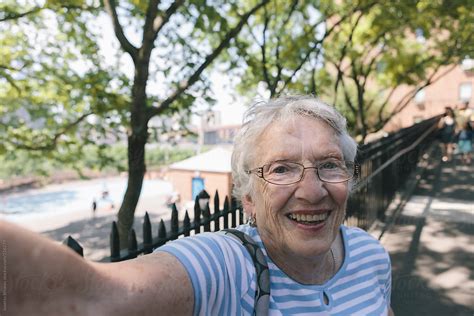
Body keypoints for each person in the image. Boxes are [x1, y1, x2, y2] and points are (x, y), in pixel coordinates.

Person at [1, 96, 394, 315]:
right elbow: (91, 297)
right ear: (249, 200)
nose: (312, 190)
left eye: (329, 164)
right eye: (281, 169)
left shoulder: (369, 254)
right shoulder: (227, 267)